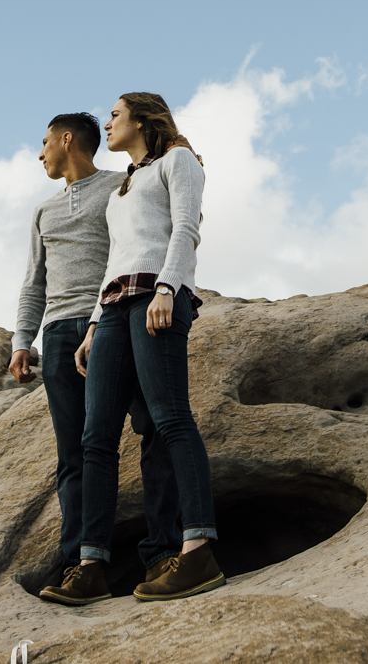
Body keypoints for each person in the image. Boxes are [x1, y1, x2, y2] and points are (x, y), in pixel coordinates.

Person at [43, 93, 223, 606]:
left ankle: (197, 551)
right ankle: (91, 565)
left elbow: (186, 229)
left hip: (154, 301)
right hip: (114, 311)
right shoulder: (122, 188)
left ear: (142, 121)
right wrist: (95, 325)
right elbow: (114, 261)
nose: (109, 123)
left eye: (116, 115)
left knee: (169, 420)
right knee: (95, 438)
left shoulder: (178, 161)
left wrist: (168, 289)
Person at [10, 113, 182, 601]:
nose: (39, 153)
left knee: (151, 427)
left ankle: (164, 552)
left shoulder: (120, 187)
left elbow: (143, 240)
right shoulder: (43, 212)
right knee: (75, 454)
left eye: (44, 142)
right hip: (61, 335)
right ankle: (83, 566)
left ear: (67, 140)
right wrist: (24, 341)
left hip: (116, 317)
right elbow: (33, 282)